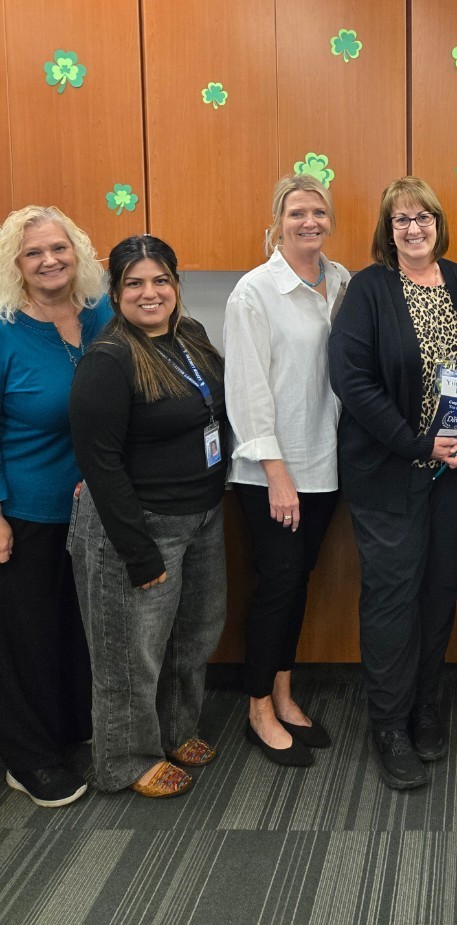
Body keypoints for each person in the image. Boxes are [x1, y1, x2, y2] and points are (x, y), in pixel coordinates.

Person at [329, 177, 457, 789]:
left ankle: (428, 704)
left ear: (439, 223)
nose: (414, 228)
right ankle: (389, 723)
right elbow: (353, 382)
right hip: (389, 473)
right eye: (401, 219)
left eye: (423, 217)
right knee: (393, 598)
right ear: (387, 228)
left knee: (440, 591)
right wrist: (419, 443)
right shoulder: (369, 289)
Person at [69, 235, 228, 798]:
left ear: (176, 286)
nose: (150, 292)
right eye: (134, 283)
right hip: (138, 527)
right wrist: (137, 553)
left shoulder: (192, 337)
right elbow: (100, 463)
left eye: (160, 280)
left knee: (193, 634)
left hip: (201, 515)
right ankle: (126, 760)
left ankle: (176, 729)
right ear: (115, 294)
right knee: (127, 652)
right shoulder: (109, 360)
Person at [224, 175, 350, 767]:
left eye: (318, 211)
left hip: (325, 464)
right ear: (277, 222)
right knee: (275, 586)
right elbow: (247, 393)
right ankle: (256, 709)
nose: (309, 222)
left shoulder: (341, 280)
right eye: (297, 212)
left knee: (297, 582)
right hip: (273, 473)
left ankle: (282, 691)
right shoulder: (255, 293)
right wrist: (277, 474)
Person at [0, 206, 111, 807]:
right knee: (27, 638)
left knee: (77, 629)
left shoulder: (101, 315)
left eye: (58, 248)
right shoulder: (5, 329)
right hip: (25, 511)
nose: (50, 260)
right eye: (34, 252)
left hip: (95, 511)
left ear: (77, 252)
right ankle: (29, 757)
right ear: (16, 265)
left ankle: (68, 732)